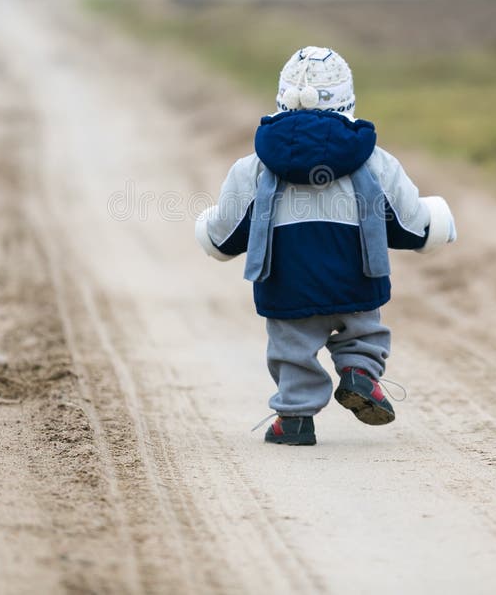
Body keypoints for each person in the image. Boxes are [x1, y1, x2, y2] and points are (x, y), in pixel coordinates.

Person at [195, 46, 456, 445]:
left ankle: (295, 421)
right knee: (363, 332)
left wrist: (208, 231)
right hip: (357, 277)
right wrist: (437, 221)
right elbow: (411, 224)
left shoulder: (253, 167)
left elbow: (225, 235)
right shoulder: (376, 161)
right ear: (348, 100)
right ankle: (359, 373)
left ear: (281, 98)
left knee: (292, 348)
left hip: (287, 283)